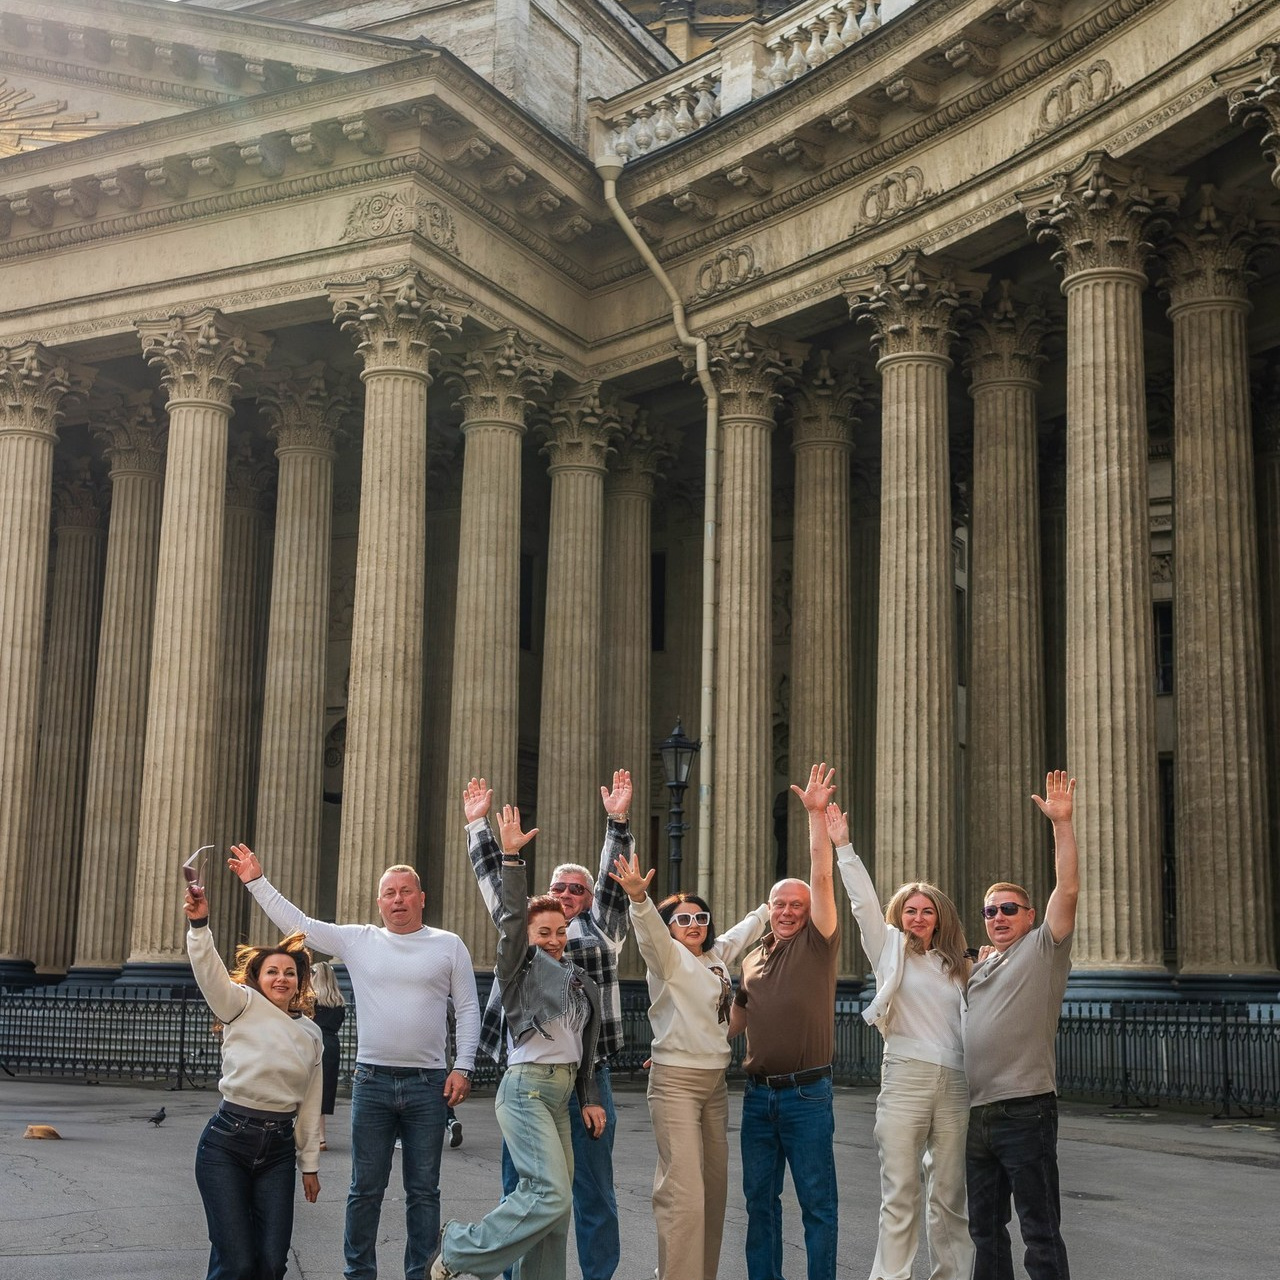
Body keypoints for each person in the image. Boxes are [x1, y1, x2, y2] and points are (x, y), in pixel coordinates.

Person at [228, 844, 481, 1280]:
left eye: (406, 891)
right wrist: (256, 882)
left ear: (422, 898)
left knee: (424, 1191)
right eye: (390, 893)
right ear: (379, 902)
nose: (398, 899)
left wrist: (464, 1065)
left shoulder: (448, 945)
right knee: (365, 1189)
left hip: (428, 1083)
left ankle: (420, 1274)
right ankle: (358, 1274)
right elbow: (300, 926)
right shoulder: (360, 940)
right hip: (372, 1081)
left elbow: (469, 1008)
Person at [463, 771, 633, 1280]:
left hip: (587, 1079)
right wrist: (478, 828)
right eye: (559, 886)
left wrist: (617, 822)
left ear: (588, 898)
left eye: (577, 889)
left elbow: (613, 886)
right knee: (524, 1190)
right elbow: (499, 889)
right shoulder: (524, 937)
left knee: (594, 1191)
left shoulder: (600, 931)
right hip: (528, 1079)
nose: (567, 893)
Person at [432, 803, 607, 1280]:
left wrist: (590, 1097)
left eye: (561, 931)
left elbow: (586, 1051)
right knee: (549, 1193)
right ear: (527, 938)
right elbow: (511, 919)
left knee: (557, 1211)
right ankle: (459, 1248)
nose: (554, 939)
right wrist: (510, 858)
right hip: (526, 1089)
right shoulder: (519, 970)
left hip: (562, 1093)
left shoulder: (580, 980)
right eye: (543, 932)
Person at [826, 805, 974, 1280]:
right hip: (906, 1076)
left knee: (949, 1195)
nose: (918, 917)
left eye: (927, 911)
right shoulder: (887, 948)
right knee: (901, 1192)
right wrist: (843, 847)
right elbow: (862, 904)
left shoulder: (959, 965)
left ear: (940, 918)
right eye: (911, 910)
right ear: (900, 916)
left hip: (956, 1081)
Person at [608, 850, 769, 1280]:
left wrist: (771, 907)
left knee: (714, 1192)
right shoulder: (667, 958)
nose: (694, 924)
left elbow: (742, 932)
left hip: (715, 1084)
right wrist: (639, 900)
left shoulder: (714, 957)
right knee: (684, 1195)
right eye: (682, 919)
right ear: (670, 927)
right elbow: (649, 934)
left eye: (700, 917)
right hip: (675, 1084)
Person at [963, 770, 1079, 1280]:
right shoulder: (979, 966)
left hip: (1025, 1110)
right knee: (985, 1231)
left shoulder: (1043, 949)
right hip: (977, 1115)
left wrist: (1061, 825)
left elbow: (1068, 889)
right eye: (990, 911)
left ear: (1030, 916)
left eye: (1009, 909)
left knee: (1039, 1229)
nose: (998, 916)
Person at [729, 763, 842, 1280]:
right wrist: (675, 1047)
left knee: (817, 1204)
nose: (789, 911)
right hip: (758, 1098)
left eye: (798, 905)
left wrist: (816, 816)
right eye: (781, 904)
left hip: (806, 1095)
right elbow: (736, 1021)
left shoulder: (818, 943)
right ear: (769, 908)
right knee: (759, 1204)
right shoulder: (752, 956)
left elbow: (822, 875)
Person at [183, 876, 323, 1280]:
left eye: (290, 973)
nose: (282, 978)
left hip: (278, 1151)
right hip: (226, 1144)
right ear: (257, 979)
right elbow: (211, 975)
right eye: (272, 972)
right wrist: (199, 926)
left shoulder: (312, 1034)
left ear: (299, 981)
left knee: (272, 1263)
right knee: (238, 1263)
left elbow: (310, 1104)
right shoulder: (240, 1005)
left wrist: (309, 1164)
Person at [311, 960, 347, 1151]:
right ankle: (321, 1137)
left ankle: (308, 1135)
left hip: (313, 1042)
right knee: (323, 1090)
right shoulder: (338, 1002)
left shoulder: (311, 1000)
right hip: (331, 1045)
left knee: (308, 1089)